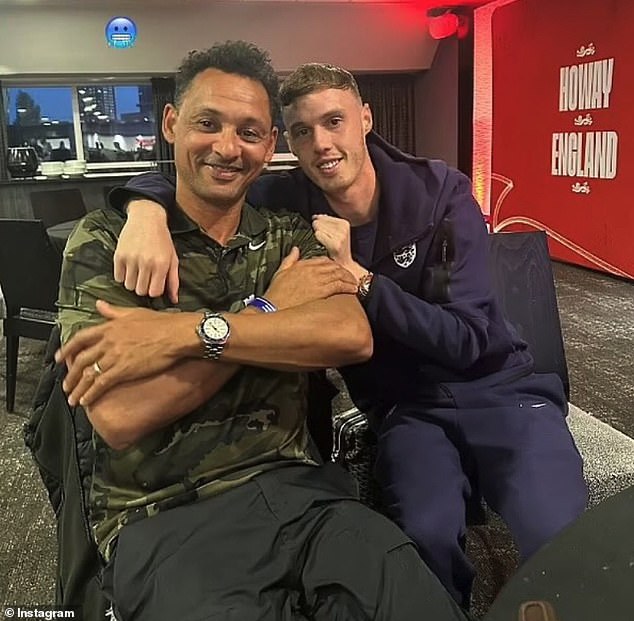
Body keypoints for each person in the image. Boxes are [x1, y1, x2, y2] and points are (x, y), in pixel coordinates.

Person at [107, 62, 588, 608]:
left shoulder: (440, 191)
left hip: (501, 389)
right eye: (302, 131)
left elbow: (467, 340)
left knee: (562, 538)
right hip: (405, 409)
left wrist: (360, 280)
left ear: (365, 118)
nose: (322, 144)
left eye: (334, 121)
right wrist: (143, 208)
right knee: (422, 539)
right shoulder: (288, 203)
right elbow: (205, 180)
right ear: (285, 140)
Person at [55, 42, 468, 621]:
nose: (228, 147)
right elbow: (121, 417)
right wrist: (271, 309)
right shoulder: (108, 243)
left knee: (413, 598)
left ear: (271, 145)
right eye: (207, 123)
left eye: (250, 131)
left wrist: (185, 334)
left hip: (303, 492)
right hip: (165, 515)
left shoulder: (287, 234)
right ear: (171, 125)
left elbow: (350, 337)